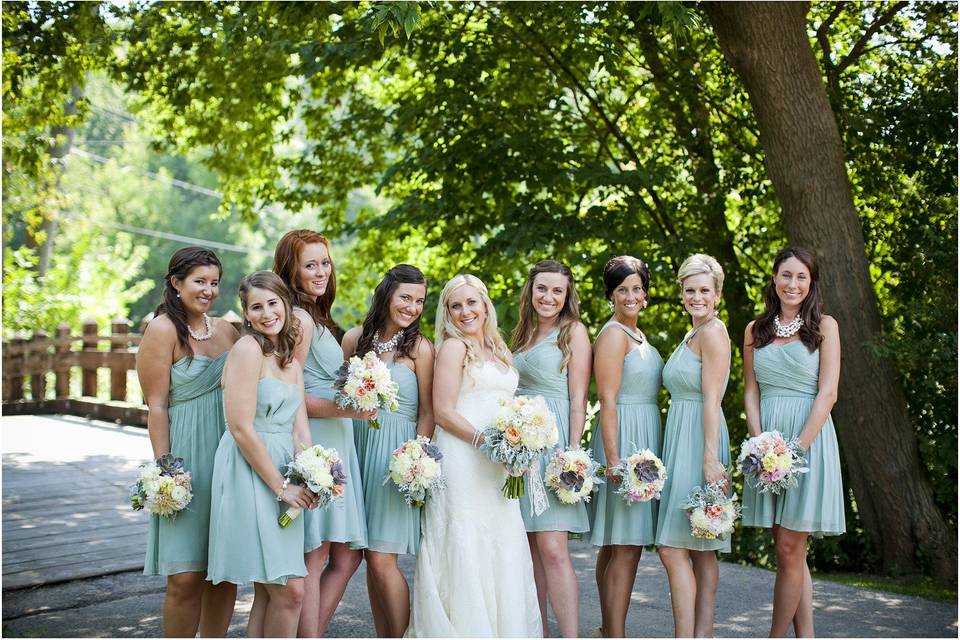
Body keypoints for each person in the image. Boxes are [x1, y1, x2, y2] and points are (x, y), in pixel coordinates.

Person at [407, 274, 541, 637]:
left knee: (502, 546)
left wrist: (520, 444)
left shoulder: (500, 349)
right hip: (465, 459)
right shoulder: (453, 349)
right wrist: (490, 445)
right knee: (466, 545)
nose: (465, 311)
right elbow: (444, 411)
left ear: (485, 304)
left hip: (498, 466)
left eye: (471, 302)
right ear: (447, 313)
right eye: (456, 305)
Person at [741, 247, 844, 638]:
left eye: (801, 277)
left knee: (788, 548)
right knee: (789, 552)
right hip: (767, 448)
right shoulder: (755, 330)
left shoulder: (825, 326)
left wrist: (794, 450)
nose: (793, 284)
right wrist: (760, 443)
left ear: (811, 282)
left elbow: (829, 392)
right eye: (786, 275)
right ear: (774, 278)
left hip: (809, 443)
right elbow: (751, 391)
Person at [206, 271, 316, 637]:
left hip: (287, 469)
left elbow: (300, 429)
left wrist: (315, 475)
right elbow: (239, 427)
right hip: (251, 470)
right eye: (257, 307)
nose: (267, 313)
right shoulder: (247, 350)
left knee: (272, 592)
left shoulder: (291, 362)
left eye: (273, 303)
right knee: (290, 590)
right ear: (247, 314)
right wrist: (280, 487)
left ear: (286, 304)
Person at [136, 247, 238, 637]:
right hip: (186, 459)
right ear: (176, 283)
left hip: (228, 455)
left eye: (214, 282)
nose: (209, 290)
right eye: (200, 281)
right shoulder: (162, 330)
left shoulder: (228, 331)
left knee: (224, 569)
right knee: (184, 576)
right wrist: (166, 470)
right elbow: (157, 407)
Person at [272, 230, 370, 637]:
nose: (320, 271)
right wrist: (349, 409)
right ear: (290, 270)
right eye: (309, 264)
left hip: (337, 441)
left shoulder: (317, 316)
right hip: (316, 442)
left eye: (324, 263)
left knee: (344, 556)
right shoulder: (297, 318)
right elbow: (287, 392)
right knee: (316, 556)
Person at [341, 265, 435, 638]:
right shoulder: (353, 340)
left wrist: (417, 456)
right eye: (405, 298)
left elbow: (428, 411)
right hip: (357, 451)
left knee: (382, 559)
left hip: (397, 459)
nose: (412, 307)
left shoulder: (420, 348)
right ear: (387, 296)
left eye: (419, 301)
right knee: (366, 559)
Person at [511, 260, 592, 638]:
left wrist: (572, 455)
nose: (549, 297)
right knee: (528, 552)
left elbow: (578, 398)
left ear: (566, 295)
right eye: (542, 288)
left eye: (557, 290)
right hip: (519, 448)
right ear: (530, 290)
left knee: (554, 547)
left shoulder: (572, 332)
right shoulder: (519, 333)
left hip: (554, 448)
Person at [655, 253, 731, 638]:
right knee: (700, 548)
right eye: (690, 290)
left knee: (673, 547)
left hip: (701, 439)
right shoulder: (694, 333)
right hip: (682, 435)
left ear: (717, 293)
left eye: (704, 290)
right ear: (681, 293)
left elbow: (712, 401)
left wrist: (710, 458)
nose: (697, 297)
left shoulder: (713, 332)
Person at [589, 256, 663, 638]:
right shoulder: (614, 335)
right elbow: (608, 399)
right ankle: (615, 633)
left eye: (636, 288)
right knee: (627, 545)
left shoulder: (638, 335)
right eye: (622, 290)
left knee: (618, 544)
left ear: (646, 294)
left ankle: (608, 628)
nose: (630, 296)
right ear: (611, 295)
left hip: (644, 437)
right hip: (623, 442)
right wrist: (615, 460)